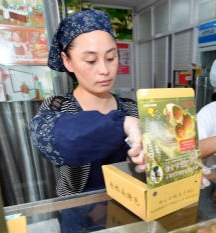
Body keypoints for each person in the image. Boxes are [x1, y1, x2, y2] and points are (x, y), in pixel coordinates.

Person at [28, 10, 144, 197]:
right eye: (91, 61)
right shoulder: (58, 107)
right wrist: (123, 124)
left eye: (110, 58)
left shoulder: (132, 108)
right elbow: (52, 141)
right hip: (79, 211)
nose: (104, 70)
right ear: (68, 62)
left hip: (129, 201)